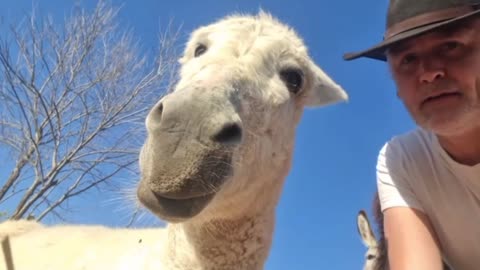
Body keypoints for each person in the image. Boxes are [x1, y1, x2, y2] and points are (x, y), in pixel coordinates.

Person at [343, 0, 480, 269]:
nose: (429, 73)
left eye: (450, 45)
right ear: (396, 87)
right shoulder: (401, 161)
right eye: (408, 59)